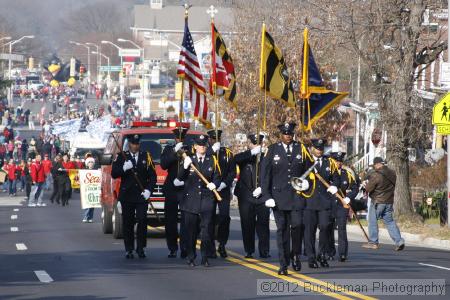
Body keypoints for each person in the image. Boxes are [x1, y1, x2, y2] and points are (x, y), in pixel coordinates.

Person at [260, 122, 310, 275]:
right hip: (278, 197)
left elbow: (310, 170)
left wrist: (307, 182)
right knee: (281, 230)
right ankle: (283, 263)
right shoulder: (272, 149)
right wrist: (267, 196)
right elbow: (265, 175)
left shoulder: (301, 148)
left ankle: (295, 254)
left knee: (297, 226)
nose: (288, 136)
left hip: (296, 196)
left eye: (290, 133)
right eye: (285, 133)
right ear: (280, 134)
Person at [176, 134, 221, 267]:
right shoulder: (188, 160)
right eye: (200, 145)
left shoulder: (212, 160)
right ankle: (191, 256)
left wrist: (215, 184)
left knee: (207, 230)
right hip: (191, 200)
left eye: (204, 145)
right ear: (195, 147)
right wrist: (184, 167)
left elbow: (217, 176)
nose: (203, 147)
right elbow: (180, 178)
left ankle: (205, 256)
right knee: (191, 231)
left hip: (207, 199)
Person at [111, 134, 157, 259]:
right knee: (128, 223)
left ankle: (141, 248)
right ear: (129, 144)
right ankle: (129, 249)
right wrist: (123, 168)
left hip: (141, 196)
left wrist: (149, 190)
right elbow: (114, 174)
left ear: (139, 145)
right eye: (133, 144)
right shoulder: (122, 156)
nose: (135, 146)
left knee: (142, 221)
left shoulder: (145, 156)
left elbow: (153, 176)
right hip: (127, 195)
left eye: (137, 144)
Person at [303, 139, 340, 269]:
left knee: (325, 227)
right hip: (309, 201)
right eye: (317, 148)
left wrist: (335, 186)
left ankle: (322, 254)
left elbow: (336, 178)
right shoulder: (306, 161)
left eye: (321, 148)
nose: (319, 151)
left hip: (325, 201)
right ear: (312, 148)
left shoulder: (329, 162)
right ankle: (311, 257)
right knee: (309, 231)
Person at [234, 133, 270, 259]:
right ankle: (249, 250)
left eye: (258, 143)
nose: (256, 145)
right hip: (246, 196)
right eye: (253, 143)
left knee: (263, 224)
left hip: (262, 195)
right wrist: (252, 152)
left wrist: (263, 188)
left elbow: (270, 175)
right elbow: (235, 159)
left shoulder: (267, 156)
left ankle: (264, 250)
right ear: (249, 144)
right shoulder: (245, 157)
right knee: (247, 224)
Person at [362, 157, 405, 251]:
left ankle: (373, 242)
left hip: (378, 202)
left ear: (377, 164)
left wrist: (365, 184)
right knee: (390, 222)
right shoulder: (392, 173)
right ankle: (399, 241)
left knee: (372, 221)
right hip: (389, 201)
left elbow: (368, 188)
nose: (374, 167)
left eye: (374, 165)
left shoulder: (376, 175)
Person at [206, 129, 236, 258]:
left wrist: (225, 183)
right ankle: (210, 246)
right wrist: (212, 150)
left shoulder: (227, 153)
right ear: (209, 140)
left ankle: (222, 244)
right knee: (209, 219)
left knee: (224, 218)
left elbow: (232, 171)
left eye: (217, 139)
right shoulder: (207, 152)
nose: (215, 141)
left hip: (223, 190)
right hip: (209, 190)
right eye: (213, 139)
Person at [160, 127, 189, 258]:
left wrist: (185, 181)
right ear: (175, 138)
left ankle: (185, 247)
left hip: (185, 188)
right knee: (170, 221)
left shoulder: (190, 149)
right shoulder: (168, 149)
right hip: (171, 189)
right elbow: (164, 165)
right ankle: (172, 247)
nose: (180, 140)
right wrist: (174, 152)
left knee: (186, 221)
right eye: (178, 138)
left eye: (182, 138)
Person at [327, 152, 359, 262]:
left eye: (340, 161)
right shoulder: (327, 173)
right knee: (329, 228)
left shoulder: (347, 174)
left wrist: (349, 197)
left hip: (342, 204)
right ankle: (330, 252)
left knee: (342, 229)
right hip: (329, 204)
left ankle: (343, 253)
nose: (338, 163)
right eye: (336, 161)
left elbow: (355, 188)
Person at [82, 156, 96, 223]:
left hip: (94, 189)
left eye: (92, 162)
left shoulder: (96, 171)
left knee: (93, 204)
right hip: (87, 189)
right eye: (89, 162)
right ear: (87, 164)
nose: (90, 163)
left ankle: (90, 217)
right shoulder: (84, 171)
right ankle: (85, 216)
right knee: (87, 204)